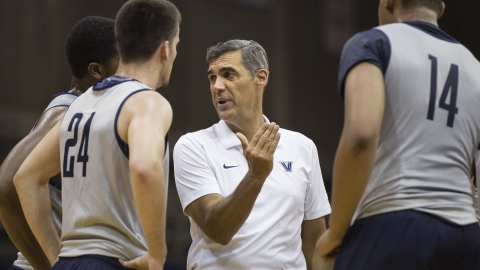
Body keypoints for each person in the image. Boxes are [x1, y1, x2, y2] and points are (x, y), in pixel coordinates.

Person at [13, 0, 181, 269]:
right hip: (115, 260)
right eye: (177, 45)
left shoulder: (79, 103)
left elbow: (26, 177)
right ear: (165, 49)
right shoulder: (147, 102)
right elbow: (145, 168)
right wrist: (157, 254)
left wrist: (55, 257)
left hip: (70, 261)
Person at [316, 0, 480, 269]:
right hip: (466, 237)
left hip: (395, 227)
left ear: (388, 2)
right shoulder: (476, 68)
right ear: (440, 6)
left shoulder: (372, 42)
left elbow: (361, 136)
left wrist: (335, 234)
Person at [174, 39, 332, 270]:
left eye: (228, 74)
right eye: (212, 77)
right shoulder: (193, 146)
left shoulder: (302, 147)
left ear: (260, 78)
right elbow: (218, 229)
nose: (217, 86)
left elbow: (314, 243)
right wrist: (256, 176)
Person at [0, 16, 118, 270]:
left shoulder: (92, 113)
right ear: (97, 70)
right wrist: (51, 265)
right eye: (125, 60)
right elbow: (6, 186)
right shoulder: (67, 112)